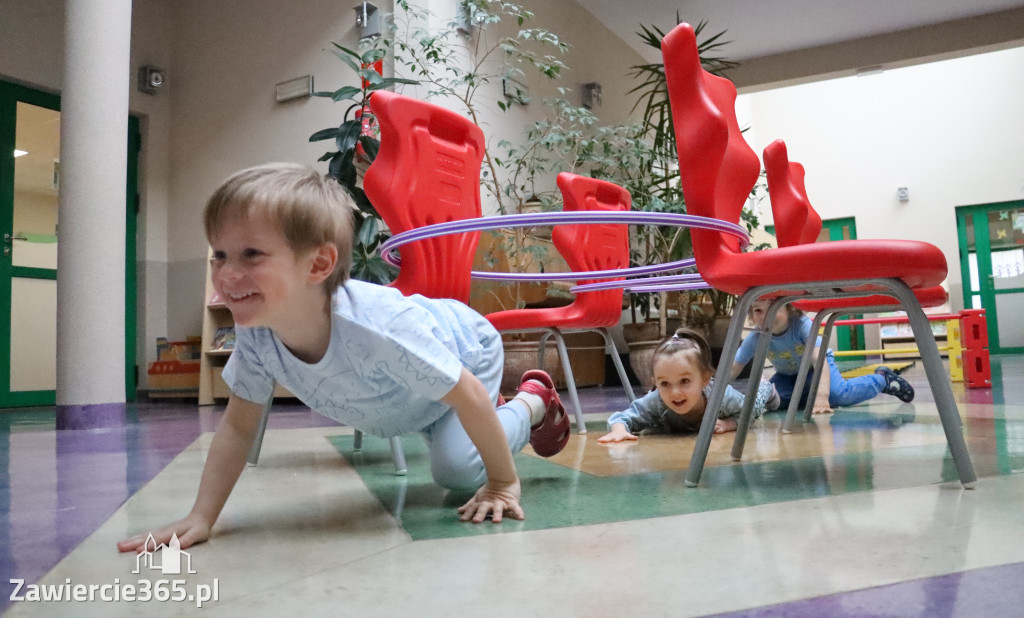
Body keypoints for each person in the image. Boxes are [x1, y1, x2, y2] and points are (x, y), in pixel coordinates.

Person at [118, 163, 570, 554]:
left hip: (466, 350)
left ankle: (533, 403)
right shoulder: (256, 332)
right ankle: (469, 422)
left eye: (251, 254)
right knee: (445, 427)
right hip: (415, 396)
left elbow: (467, 393)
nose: (227, 273)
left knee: (456, 470)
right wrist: (202, 516)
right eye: (220, 254)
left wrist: (502, 484)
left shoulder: (377, 329)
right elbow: (238, 426)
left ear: (318, 265)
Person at [730, 299, 914, 415]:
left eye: (773, 307)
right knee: (775, 402)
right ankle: (806, 395)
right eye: (758, 311)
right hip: (787, 376)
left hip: (816, 369)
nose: (765, 316)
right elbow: (733, 368)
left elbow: (820, 362)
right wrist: (713, 391)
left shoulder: (801, 325)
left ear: (788, 307)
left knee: (838, 394)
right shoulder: (756, 336)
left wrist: (823, 396)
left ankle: (882, 379)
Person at [598, 328, 777, 443]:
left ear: (705, 379)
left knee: (754, 404)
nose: (675, 392)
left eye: (684, 381)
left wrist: (729, 423)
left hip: (740, 404)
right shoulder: (656, 401)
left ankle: (766, 388)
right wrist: (619, 430)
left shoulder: (721, 396)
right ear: (655, 383)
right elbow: (623, 417)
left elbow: (747, 414)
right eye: (665, 383)